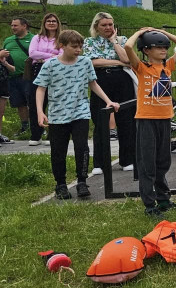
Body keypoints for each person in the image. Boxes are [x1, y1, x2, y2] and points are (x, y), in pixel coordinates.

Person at [35, 30, 119, 200]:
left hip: (80, 112)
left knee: (82, 147)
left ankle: (82, 181)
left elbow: (92, 83)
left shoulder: (85, 62)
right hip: (58, 114)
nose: (78, 50)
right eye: (74, 46)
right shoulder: (50, 65)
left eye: (80, 46)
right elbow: (41, 88)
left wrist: (108, 100)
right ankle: (61, 184)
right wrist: (40, 111)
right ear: (62, 46)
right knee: (58, 151)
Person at [124, 27, 176, 216]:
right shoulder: (141, 68)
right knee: (148, 164)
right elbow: (128, 47)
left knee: (163, 162)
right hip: (146, 120)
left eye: (165, 47)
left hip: (165, 119)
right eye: (158, 47)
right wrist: (139, 32)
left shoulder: (167, 66)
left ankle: (164, 200)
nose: (164, 50)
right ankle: (149, 204)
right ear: (146, 50)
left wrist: (162, 32)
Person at [83, 12, 137, 175]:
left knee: (127, 120)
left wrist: (114, 42)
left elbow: (127, 60)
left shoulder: (122, 40)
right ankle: (99, 162)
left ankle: (127, 159)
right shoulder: (89, 42)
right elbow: (93, 62)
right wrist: (117, 62)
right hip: (101, 80)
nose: (108, 27)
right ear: (96, 27)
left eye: (110, 24)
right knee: (101, 121)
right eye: (104, 25)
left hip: (123, 81)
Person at [26, 12, 62, 146]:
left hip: (56, 71)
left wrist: (45, 57)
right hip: (38, 70)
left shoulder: (61, 38)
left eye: (54, 21)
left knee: (54, 101)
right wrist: (52, 54)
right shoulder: (37, 37)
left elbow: (62, 55)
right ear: (44, 23)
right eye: (48, 21)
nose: (51, 23)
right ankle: (36, 135)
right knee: (36, 102)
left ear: (57, 23)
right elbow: (32, 53)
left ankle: (52, 134)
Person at [3, 17, 35, 138]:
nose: (13, 28)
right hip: (12, 77)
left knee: (32, 102)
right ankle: (25, 127)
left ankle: (37, 127)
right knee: (19, 103)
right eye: (11, 25)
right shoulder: (8, 40)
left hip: (29, 76)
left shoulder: (34, 39)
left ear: (24, 26)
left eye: (15, 25)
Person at [0, 43, 13, 144]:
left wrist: (5, 63)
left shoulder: (5, 53)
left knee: (1, 113)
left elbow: (13, 69)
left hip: (3, 86)